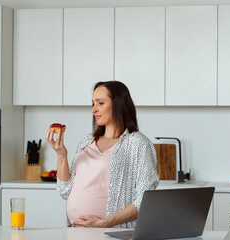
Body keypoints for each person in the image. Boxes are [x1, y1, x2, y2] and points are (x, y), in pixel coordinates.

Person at [45, 80, 159, 228]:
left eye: (100, 103)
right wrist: (61, 155)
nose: (94, 110)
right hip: (75, 232)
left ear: (119, 104)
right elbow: (64, 190)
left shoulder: (137, 143)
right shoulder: (87, 142)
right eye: (93, 103)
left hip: (112, 233)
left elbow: (145, 199)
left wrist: (104, 223)